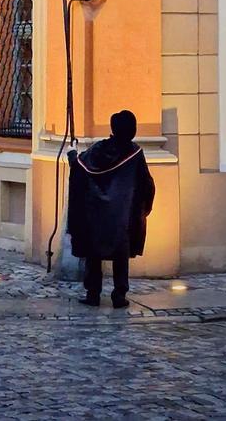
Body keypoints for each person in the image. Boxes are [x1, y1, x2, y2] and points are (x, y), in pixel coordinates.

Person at [67, 109, 155, 308]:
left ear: (113, 129)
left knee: (93, 255)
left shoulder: (98, 150)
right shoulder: (135, 154)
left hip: (95, 214)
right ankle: (119, 294)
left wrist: (72, 154)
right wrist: (143, 208)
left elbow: (80, 167)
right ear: (132, 130)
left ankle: (93, 293)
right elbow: (146, 184)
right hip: (122, 217)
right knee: (121, 257)